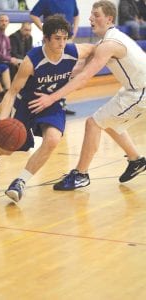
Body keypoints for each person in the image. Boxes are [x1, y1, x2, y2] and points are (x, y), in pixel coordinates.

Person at [28, 0, 146, 191]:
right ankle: (136, 160)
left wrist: (51, 97)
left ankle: (81, 174)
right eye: (91, 14)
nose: (91, 18)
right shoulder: (105, 41)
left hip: (141, 92)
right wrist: (46, 73)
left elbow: (83, 78)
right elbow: (78, 69)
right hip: (132, 90)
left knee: (93, 123)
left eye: (96, 15)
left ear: (109, 19)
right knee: (105, 121)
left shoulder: (109, 44)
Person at [0, 14, 94, 203]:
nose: (62, 43)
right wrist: (2, 121)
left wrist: (81, 70)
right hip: (27, 105)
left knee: (52, 139)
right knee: (11, 146)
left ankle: (20, 182)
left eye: (65, 38)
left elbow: (97, 51)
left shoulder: (73, 51)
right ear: (46, 38)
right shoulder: (32, 60)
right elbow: (11, 92)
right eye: (57, 39)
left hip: (52, 103)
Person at [30, 0, 80, 115]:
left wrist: (74, 32)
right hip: (52, 43)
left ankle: (61, 103)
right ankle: (41, 102)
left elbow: (76, 15)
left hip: (66, 41)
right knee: (49, 74)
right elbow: (33, 14)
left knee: (65, 73)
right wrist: (45, 30)